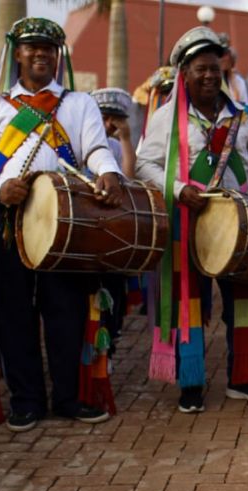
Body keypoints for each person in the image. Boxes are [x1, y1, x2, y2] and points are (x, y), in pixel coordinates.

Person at [0, 17, 121, 431]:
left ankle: (69, 397)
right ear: (18, 55)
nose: (41, 53)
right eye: (32, 47)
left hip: (66, 219)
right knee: (13, 311)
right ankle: (26, 400)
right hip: (8, 220)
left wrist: (109, 171)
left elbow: (95, 149)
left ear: (57, 55)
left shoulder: (79, 104)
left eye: (48, 47)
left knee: (66, 308)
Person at [135, 26, 248, 412]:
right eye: (200, 69)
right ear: (184, 73)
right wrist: (177, 190)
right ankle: (191, 383)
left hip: (240, 225)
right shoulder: (167, 117)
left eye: (214, 69)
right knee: (189, 301)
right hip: (189, 223)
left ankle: (243, 378)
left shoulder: (239, 114)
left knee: (245, 300)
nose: (208, 76)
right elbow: (144, 164)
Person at [90, 87, 138, 356]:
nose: (109, 125)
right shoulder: (83, 141)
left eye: (115, 120)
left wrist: (127, 139)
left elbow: (128, 179)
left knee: (113, 288)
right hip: (87, 227)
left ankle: (110, 338)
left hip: (110, 230)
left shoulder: (117, 147)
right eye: (104, 118)